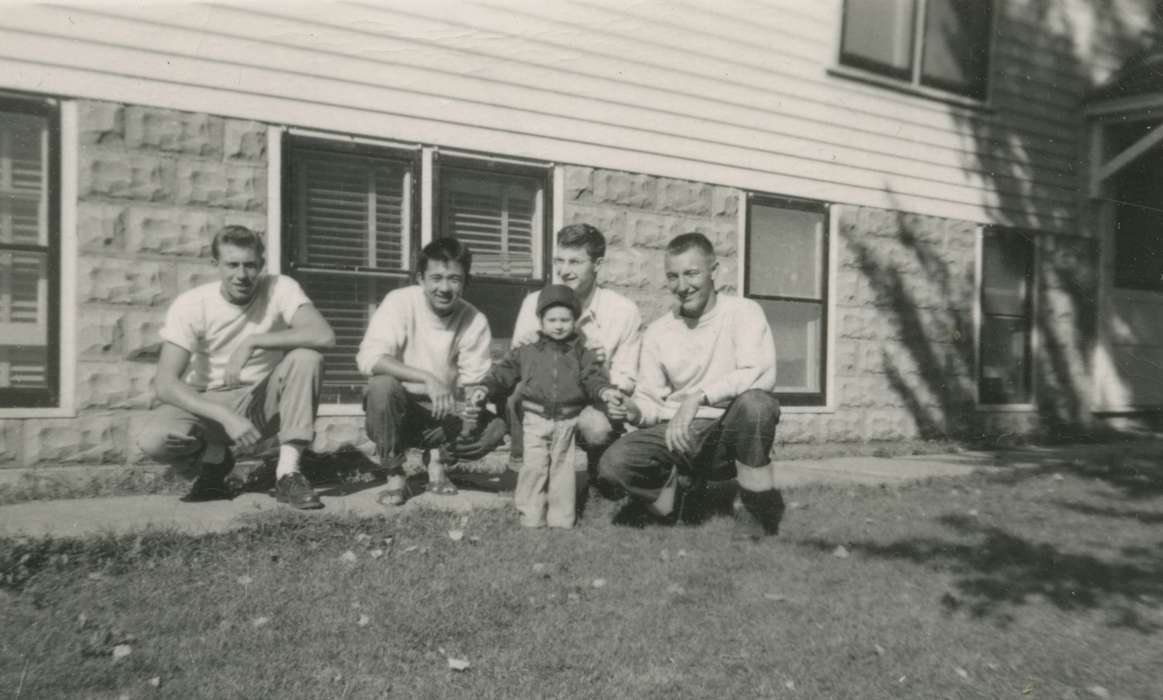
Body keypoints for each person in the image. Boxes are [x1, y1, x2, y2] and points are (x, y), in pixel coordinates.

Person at [599, 232, 786, 539]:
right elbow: (650, 400)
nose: (682, 286)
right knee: (613, 464)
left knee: (757, 404)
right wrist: (632, 409)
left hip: (725, 431)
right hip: (677, 432)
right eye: (673, 277)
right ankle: (674, 497)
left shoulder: (743, 312)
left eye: (691, 274)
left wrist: (697, 399)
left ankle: (754, 510)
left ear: (714, 271)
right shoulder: (659, 330)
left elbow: (759, 373)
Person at [138, 225, 336, 509]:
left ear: (262, 264)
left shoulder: (280, 287)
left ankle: (288, 473)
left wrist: (255, 341)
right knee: (153, 439)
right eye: (232, 265)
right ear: (215, 264)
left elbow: (324, 335)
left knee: (307, 356)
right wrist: (224, 416)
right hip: (207, 402)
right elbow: (165, 384)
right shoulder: (193, 304)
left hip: (259, 400)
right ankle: (214, 461)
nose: (241, 276)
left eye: (250, 265)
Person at [358, 237, 507, 506]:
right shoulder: (399, 302)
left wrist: (472, 410)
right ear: (420, 279)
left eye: (454, 279)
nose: (444, 288)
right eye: (436, 278)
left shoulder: (474, 319)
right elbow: (370, 359)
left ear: (465, 282)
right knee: (381, 385)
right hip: (399, 406)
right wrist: (428, 378)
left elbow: (475, 381)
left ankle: (438, 462)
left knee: (494, 427)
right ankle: (394, 472)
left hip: (441, 411)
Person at [506, 224, 642, 482]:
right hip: (544, 394)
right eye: (559, 260)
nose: (564, 270)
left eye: (575, 262)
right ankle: (522, 465)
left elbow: (627, 379)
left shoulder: (623, 311)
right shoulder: (533, 303)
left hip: (592, 399)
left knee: (597, 428)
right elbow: (516, 369)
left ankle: (597, 468)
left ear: (597, 264)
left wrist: (601, 369)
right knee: (516, 395)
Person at [479, 285, 619, 528]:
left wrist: (604, 390)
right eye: (551, 319)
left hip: (566, 420)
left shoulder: (582, 351)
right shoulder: (528, 348)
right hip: (535, 418)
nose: (558, 325)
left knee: (563, 472)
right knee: (534, 468)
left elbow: (592, 377)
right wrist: (485, 387)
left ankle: (562, 519)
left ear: (575, 321)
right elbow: (504, 371)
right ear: (541, 321)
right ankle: (530, 516)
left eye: (565, 319)